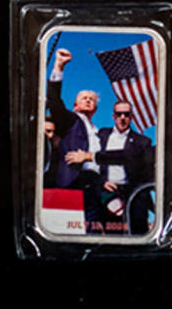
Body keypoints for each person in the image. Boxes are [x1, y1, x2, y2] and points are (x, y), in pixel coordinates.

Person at [64, 100, 154, 234]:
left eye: (126, 114)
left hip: (133, 194)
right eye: (119, 114)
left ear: (131, 117)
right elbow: (93, 168)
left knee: (137, 233)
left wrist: (89, 155)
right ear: (114, 116)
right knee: (112, 233)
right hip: (108, 193)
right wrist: (102, 182)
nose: (122, 118)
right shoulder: (102, 135)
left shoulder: (143, 142)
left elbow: (128, 157)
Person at [46, 48, 103, 229]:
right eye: (83, 98)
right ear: (75, 105)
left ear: (95, 108)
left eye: (91, 99)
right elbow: (54, 102)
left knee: (94, 231)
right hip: (75, 180)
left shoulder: (100, 132)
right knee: (71, 230)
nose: (88, 100)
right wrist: (59, 66)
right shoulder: (71, 121)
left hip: (98, 184)